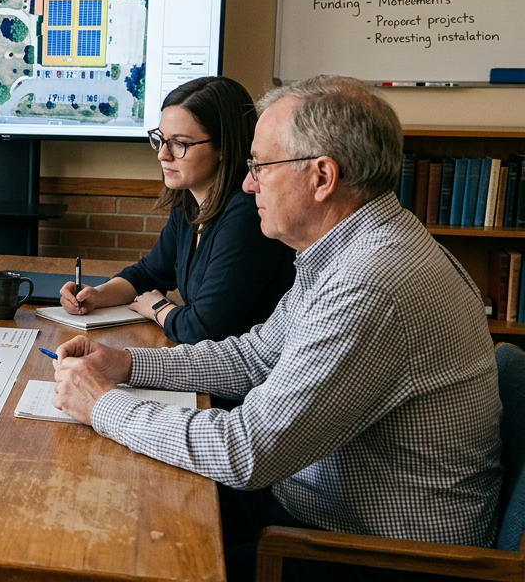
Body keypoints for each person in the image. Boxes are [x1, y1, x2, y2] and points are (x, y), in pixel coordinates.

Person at [51, 75, 501, 582]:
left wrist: (101, 403)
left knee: (123, 553)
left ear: (322, 176)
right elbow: (255, 357)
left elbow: (245, 451)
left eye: (260, 166)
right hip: (312, 505)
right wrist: (127, 364)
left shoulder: (369, 283)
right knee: (126, 510)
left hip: (378, 554)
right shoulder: (349, 249)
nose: (247, 185)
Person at [59, 76, 295, 344]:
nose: (163, 154)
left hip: (242, 368)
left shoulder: (247, 215)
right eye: (161, 139)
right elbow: (149, 274)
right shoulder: (190, 205)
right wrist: (97, 295)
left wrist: (159, 308)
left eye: (180, 143)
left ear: (223, 147)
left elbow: (204, 329)